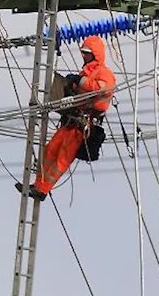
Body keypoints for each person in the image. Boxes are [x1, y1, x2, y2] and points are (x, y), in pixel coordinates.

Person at [17, 35, 116, 201]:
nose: (84, 56)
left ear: (95, 54)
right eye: (83, 52)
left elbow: (102, 90)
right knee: (49, 151)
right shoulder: (87, 72)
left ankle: (42, 190)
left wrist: (80, 81)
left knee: (62, 158)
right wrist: (73, 84)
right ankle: (38, 185)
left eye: (87, 53)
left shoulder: (104, 73)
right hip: (72, 120)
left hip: (83, 124)